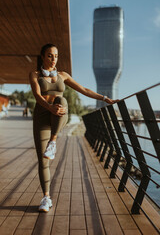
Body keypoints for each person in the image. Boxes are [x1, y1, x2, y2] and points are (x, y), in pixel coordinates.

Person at [29, 43, 118, 212]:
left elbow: (84, 89)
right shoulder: (34, 74)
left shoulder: (63, 75)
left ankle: (53, 141)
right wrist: (49, 108)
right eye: (49, 55)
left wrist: (105, 98)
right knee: (43, 160)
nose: (53, 59)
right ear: (42, 56)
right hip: (42, 116)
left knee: (61, 100)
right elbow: (37, 96)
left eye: (55, 56)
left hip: (59, 116)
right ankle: (46, 198)